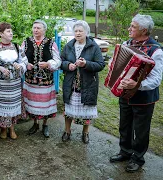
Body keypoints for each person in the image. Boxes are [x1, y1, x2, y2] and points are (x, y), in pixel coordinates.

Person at [109, 14, 163, 173]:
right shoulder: (127, 44)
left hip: (144, 98)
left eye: (133, 26)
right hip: (125, 94)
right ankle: (124, 152)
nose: (129, 28)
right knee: (124, 125)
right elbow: (117, 62)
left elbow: (156, 79)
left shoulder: (156, 50)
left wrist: (137, 85)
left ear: (144, 30)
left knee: (141, 130)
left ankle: (138, 158)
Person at [60, 20, 105, 144]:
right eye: (76, 31)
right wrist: (68, 65)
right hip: (71, 83)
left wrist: (86, 64)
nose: (78, 33)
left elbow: (101, 65)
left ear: (86, 32)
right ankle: (67, 131)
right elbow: (61, 61)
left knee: (87, 110)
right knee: (69, 109)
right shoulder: (69, 45)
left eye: (81, 31)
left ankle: (85, 133)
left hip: (88, 84)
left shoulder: (93, 46)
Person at [21, 20, 61, 138]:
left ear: (44, 30)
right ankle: (35, 124)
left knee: (45, 104)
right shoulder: (26, 42)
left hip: (45, 80)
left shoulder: (51, 43)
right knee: (32, 103)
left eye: (38, 28)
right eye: (34, 28)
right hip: (31, 79)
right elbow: (21, 57)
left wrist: (48, 64)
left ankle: (45, 125)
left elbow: (57, 60)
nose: (36, 30)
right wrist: (26, 64)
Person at [0, 22, 27, 139]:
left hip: (14, 84)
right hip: (0, 85)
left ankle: (12, 129)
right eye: (8, 31)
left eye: (11, 31)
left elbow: (24, 60)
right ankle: (3, 129)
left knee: (14, 105)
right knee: (1, 106)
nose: (11, 33)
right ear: (1, 34)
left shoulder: (17, 47)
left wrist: (20, 66)